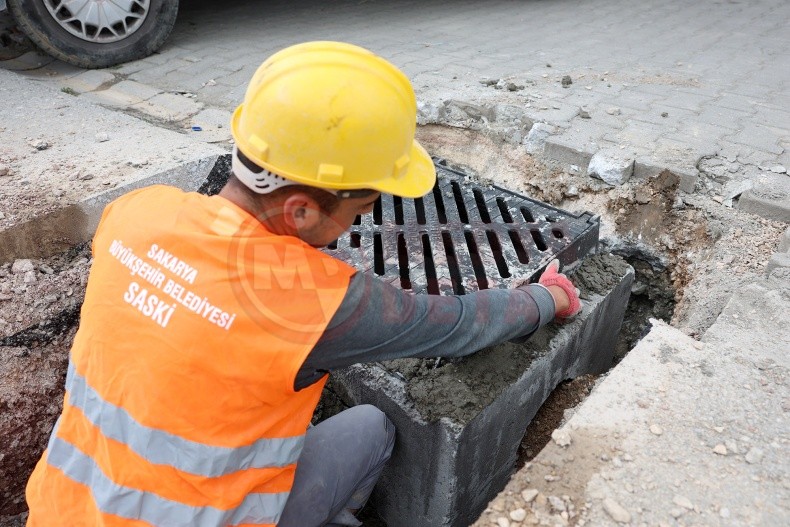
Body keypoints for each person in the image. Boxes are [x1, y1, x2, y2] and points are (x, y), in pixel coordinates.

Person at [25, 41, 581, 527]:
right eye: (365, 204)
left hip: (62, 511)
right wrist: (547, 297)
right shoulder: (311, 301)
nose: (365, 219)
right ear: (300, 212)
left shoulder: (135, 214)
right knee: (371, 427)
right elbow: (458, 325)